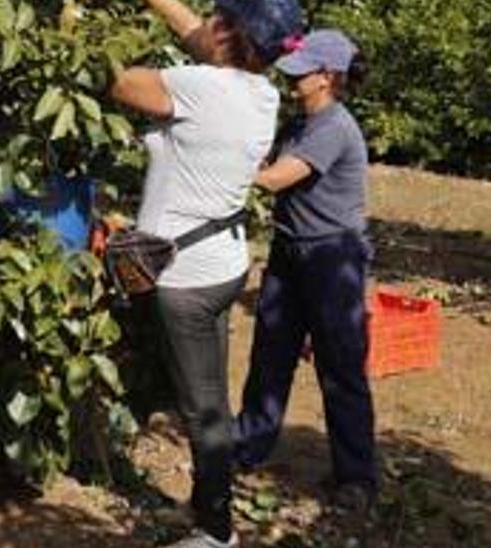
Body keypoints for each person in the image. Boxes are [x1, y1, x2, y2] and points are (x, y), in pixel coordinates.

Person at [110, 0, 303, 546]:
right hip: (221, 263)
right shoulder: (259, 91)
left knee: (203, 410)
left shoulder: (202, 87)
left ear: (229, 33)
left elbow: (118, 80)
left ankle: (216, 532)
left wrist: (75, 22)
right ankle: (205, 511)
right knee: (212, 397)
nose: (208, 21)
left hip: (186, 279)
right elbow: (200, 36)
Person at [232, 29, 378, 511]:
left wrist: (215, 169)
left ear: (329, 77)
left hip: (332, 257)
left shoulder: (335, 126)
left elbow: (275, 177)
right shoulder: (298, 124)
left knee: (340, 366)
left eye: (306, 70)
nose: (295, 76)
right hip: (290, 251)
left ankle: (356, 477)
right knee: (270, 354)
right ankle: (247, 447)